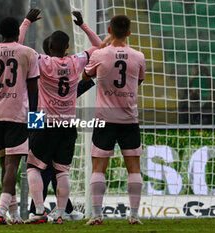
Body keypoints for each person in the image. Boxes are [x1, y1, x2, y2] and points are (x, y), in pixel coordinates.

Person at [19, 9, 101, 224]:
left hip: (42, 120)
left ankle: (38, 209)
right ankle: (62, 211)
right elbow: (98, 49)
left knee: (37, 166)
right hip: (66, 122)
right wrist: (83, 25)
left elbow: (18, 50)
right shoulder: (75, 63)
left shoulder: (40, 65)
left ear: (47, 49)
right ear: (66, 48)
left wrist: (26, 22)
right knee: (59, 170)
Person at [83, 15, 146, 225]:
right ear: (129, 32)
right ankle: (134, 216)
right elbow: (139, 81)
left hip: (104, 119)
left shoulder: (100, 54)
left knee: (99, 167)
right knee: (134, 168)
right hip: (129, 119)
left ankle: (97, 215)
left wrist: (101, 46)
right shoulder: (139, 56)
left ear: (109, 30)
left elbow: (85, 77)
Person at [0, 16, 40, 225]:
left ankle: (14, 215)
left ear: (0, 32)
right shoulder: (28, 53)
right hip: (18, 114)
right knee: (13, 164)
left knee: (6, 164)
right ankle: (1, 210)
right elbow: (33, 89)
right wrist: (36, 120)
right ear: (17, 33)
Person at [28, 35, 92, 221]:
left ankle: (61, 208)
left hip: (37, 115)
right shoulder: (45, 67)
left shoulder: (41, 67)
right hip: (40, 115)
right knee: (47, 166)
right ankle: (39, 209)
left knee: (48, 165)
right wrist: (86, 82)